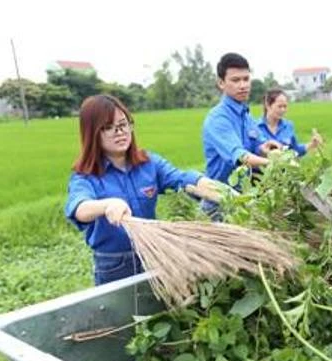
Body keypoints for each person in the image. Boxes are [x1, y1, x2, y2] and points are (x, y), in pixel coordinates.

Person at [64, 95, 219, 285]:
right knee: (120, 314)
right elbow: (80, 208)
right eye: (108, 128)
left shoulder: (148, 163)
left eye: (123, 124)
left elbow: (180, 178)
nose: (119, 132)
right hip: (114, 264)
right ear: (92, 134)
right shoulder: (86, 176)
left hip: (153, 252)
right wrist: (108, 205)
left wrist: (212, 187)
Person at [201, 53, 282, 217]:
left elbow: (257, 146)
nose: (243, 85)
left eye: (246, 79)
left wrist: (268, 148)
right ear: (221, 83)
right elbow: (241, 156)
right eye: (236, 80)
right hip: (220, 203)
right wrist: (275, 164)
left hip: (245, 198)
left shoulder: (246, 114)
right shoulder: (218, 119)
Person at [258, 88, 323, 157]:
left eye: (285, 106)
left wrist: (312, 144)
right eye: (279, 106)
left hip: (284, 167)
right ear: (268, 106)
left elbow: (295, 150)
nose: (283, 110)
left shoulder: (288, 126)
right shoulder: (255, 127)